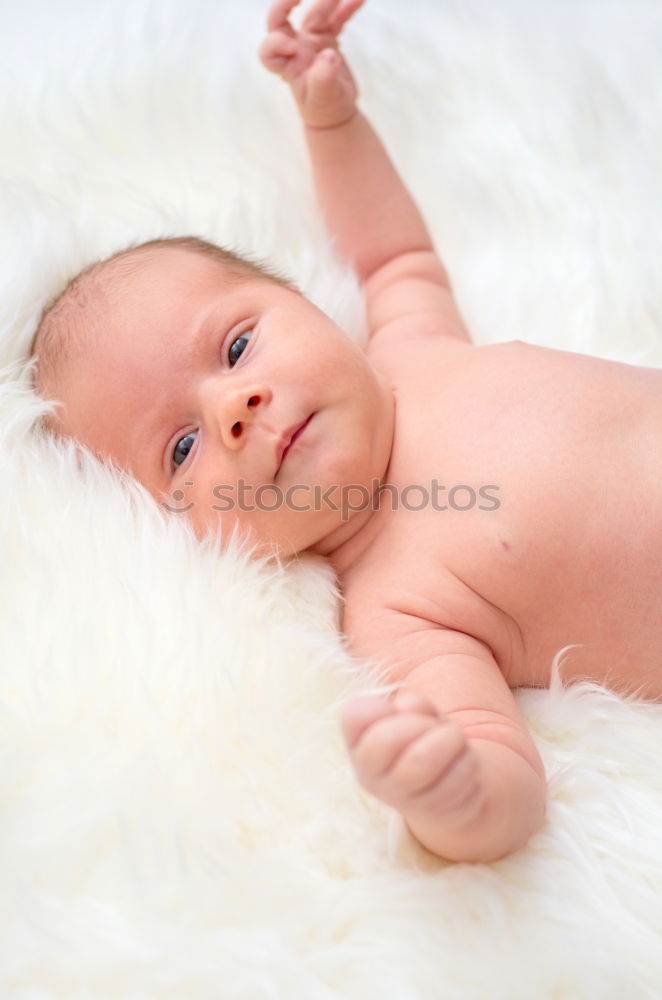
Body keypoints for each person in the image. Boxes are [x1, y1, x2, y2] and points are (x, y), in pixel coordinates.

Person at [30, 0, 662, 863]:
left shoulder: (412, 343)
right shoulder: (395, 608)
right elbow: (501, 774)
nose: (234, 406)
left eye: (238, 344)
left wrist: (330, 117)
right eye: (181, 449)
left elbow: (388, 252)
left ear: (305, 305)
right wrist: (452, 790)